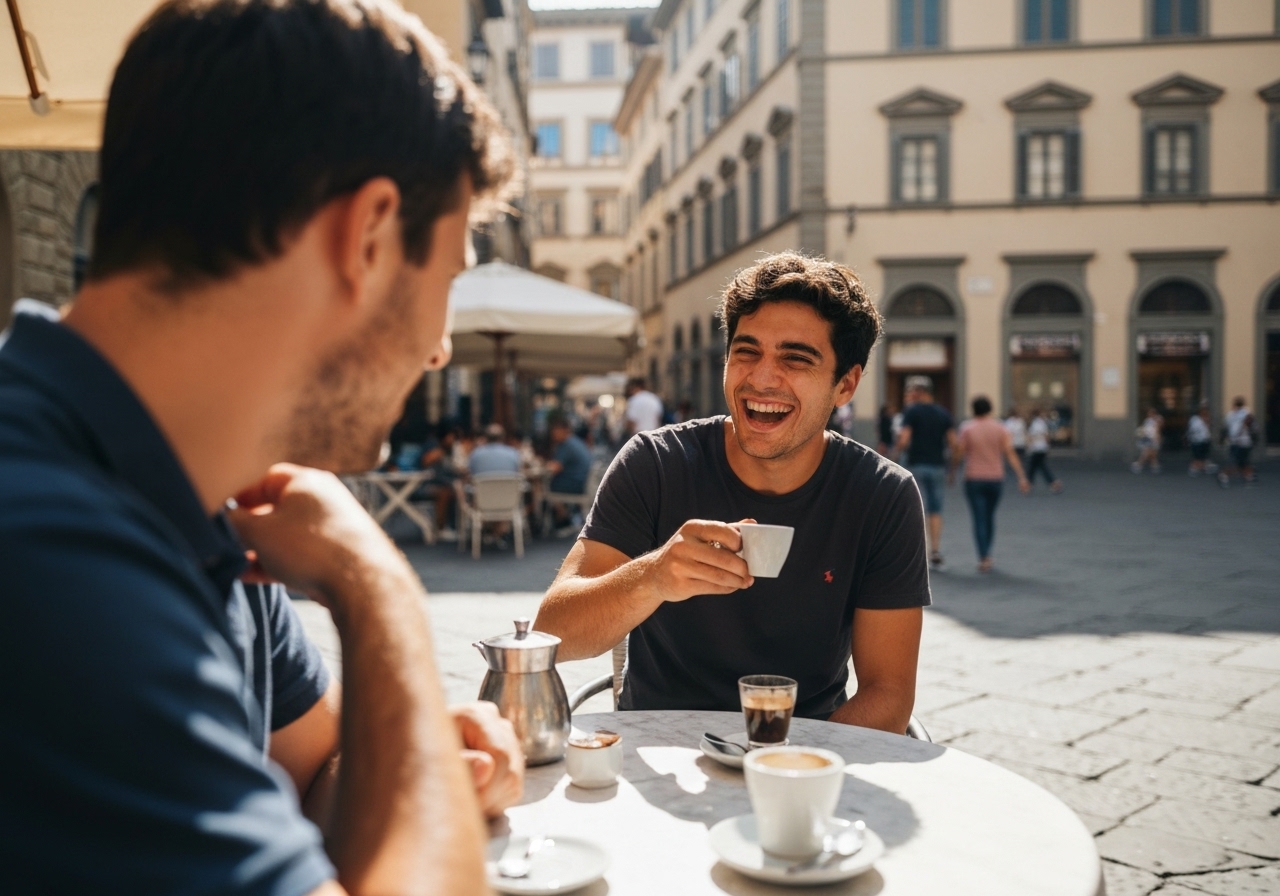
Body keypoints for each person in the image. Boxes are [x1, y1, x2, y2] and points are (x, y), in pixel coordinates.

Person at [0, 2, 525, 893]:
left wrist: (413, 761)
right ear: (366, 235)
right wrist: (379, 590)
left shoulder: (200, 493)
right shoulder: (45, 548)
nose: (440, 347)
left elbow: (312, 773)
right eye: (446, 276)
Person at [535, 252, 930, 734]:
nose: (761, 378)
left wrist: (777, 767)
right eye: (746, 352)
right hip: (659, 749)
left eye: (795, 359)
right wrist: (654, 576)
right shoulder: (655, 463)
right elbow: (555, 632)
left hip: (804, 758)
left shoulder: (882, 495)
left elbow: (887, 695)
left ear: (845, 384)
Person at [953, 396, 1031, 572]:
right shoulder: (1000, 428)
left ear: (973, 409)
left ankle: (983, 557)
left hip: (973, 478)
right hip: (995, 478)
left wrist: (952, 470)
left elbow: (959, 452)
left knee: (979, 517)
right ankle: (988, 552)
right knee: (989, 516)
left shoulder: (967, 428)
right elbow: (1010, 453)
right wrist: (1022, 477)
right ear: (990, 409)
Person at [893, 375, 956, 568]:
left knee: (915, 508)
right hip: (937, 466)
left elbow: (904, 440)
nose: (910, 395)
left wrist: (893, 459)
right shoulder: (943, 413)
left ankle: (917, 551)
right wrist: (953, 469)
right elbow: (956, 444)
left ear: (920, 392)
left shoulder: (912, 412)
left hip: (916, 465)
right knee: (935, 510)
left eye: (912, 391)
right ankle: (935, 550)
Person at [545, 414, 594, 535]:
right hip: (583, 482)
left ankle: (564, 519)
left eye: (554, 431)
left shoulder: (566, 445)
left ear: (562, 430)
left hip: (576, 484)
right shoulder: (576, 441)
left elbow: (555, 467)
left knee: (546, 488)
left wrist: (545, 465)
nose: (552, 435)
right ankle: (566, 518)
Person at [1219, 396, 1259, 487]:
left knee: (1237, 461)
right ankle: (1225, 475)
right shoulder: (1248, 414)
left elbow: (1225, 429)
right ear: (1243, 404)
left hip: (1234, 442)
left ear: (1234, 404)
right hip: (1246, 442)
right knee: (1244, 461)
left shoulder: (1230, 415)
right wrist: (1255, 440)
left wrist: (1222, 440)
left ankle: (1248, 476)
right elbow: (1254, 429)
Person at [1025, 409, 1064, 493]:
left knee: (1034, 468)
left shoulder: (1035, 424)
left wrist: (1029, 446)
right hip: (1042, 448)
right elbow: (1047, 437)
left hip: (1036, 448)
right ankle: (1052, 483)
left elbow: (1031, 436)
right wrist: (1048, 447)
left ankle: (1029, 485)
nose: (1045, 415)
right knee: (1039, 467)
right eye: (1043, 413)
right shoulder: (1043, 423)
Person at [1186, 403, 1215, 476]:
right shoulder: (1194, 419)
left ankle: (1202, 467)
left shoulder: (1207, 418)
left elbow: (1209, 427)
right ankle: (1194, 468)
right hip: (1196, 441)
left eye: (1206, 412)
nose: (1205, 413)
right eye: (1203, 411)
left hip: (1205, 440)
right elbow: (1193, 429)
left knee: (1203, 456)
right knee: (1197, 456)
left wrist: (1207, 421)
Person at [1132, 408, 1163, 473]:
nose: (1149, 414)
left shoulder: (1158, 419)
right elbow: (1144, 429)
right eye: (1149, 413)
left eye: (1151, 413)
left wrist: (1157, 438)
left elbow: (1158, 428)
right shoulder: (1147, 420)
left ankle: (1150, 465)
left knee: (1152, 453)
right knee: (1147, 452)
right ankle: (1144, 465)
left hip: (1154, 438)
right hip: (1147, 438)